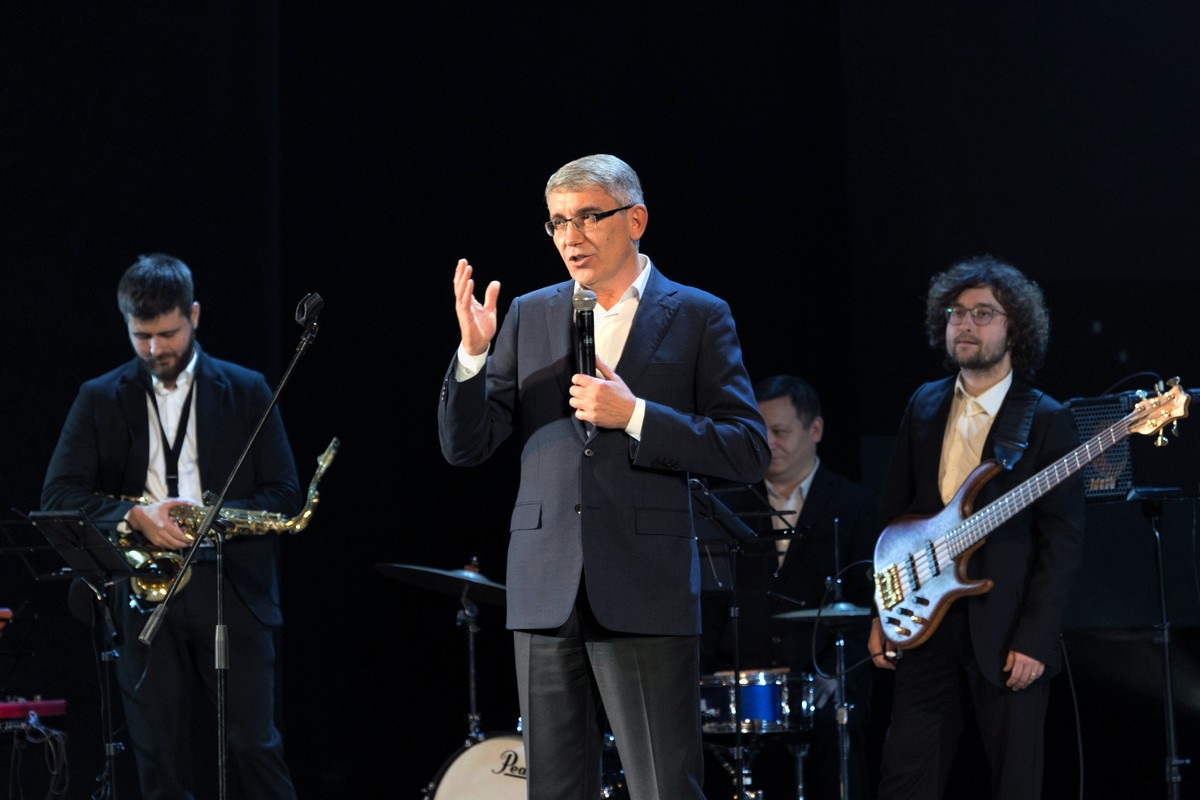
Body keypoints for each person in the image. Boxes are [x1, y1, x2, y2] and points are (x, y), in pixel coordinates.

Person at [438, 153, 770, 800]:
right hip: (545, 587)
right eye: (558, 222)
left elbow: (748, 448)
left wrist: (637, 415)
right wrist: (473, 356)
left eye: (588, 217)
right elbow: (465, 446)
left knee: (663, 787)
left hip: (646, 586)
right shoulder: (529, 314)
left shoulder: (698, 314)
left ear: (635, 219)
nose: (571, 237)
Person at [41, 253, 301, 799]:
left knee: (253, 748)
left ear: (194, 316)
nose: (155, 349)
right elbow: (59, 496)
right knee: (158, 762)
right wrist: (135, 515)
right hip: (142, 590)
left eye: (167, 334)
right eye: (141, 336)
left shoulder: (248, 389)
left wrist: (210, 519)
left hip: (230, 586)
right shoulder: (99, 396)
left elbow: (283, 495)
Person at [867, 255, 1086, 800]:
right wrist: (883, 609)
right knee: (904, 778)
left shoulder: (1045, 418)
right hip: (924, 616)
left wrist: (1036, 639)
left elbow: (1061, 542)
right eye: (956, 313)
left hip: (1008, 627)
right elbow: (894, 516)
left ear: (1015, 328)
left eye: (983, 313)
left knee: (1014, 783)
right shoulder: (924, 402)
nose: (965, 324)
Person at [700, 374, 880, 800]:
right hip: (742, 686)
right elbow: (709, 601)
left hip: (822, 681)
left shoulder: (854, 504)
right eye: (760, 432)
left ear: (815, 429)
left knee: (837, 742)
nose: (769, 443)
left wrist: (836, 675)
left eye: (780, 432)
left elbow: (867, 603)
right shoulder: (728, 503)